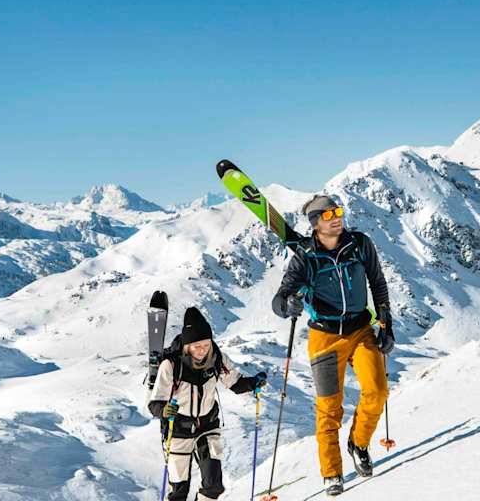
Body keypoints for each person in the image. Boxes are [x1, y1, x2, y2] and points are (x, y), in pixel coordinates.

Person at [271, 194, 393, 496]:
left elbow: (377, 282)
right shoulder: (304, 257)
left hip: (361, 329)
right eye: (328, 214)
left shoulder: (360, 244)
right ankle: (332, 473)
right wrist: (288, 304)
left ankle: (359, 443)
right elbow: (280, 298)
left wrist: (385, 324)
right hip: (325, 336)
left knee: (377, 391)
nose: (337, 217)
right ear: (315, 223)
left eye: (338, 211)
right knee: (329, 409)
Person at [149, 306, 268, 501]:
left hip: (207, 425)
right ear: (187, 346)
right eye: (197, 346)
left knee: (213, 486)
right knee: (179, 491)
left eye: (206, 344)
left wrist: (253, 382)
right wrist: (164, 411)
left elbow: (235, 383)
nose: (203, 350)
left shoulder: (216, 357)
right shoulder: (171, 365)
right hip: (178, 428)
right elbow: (155, 403)